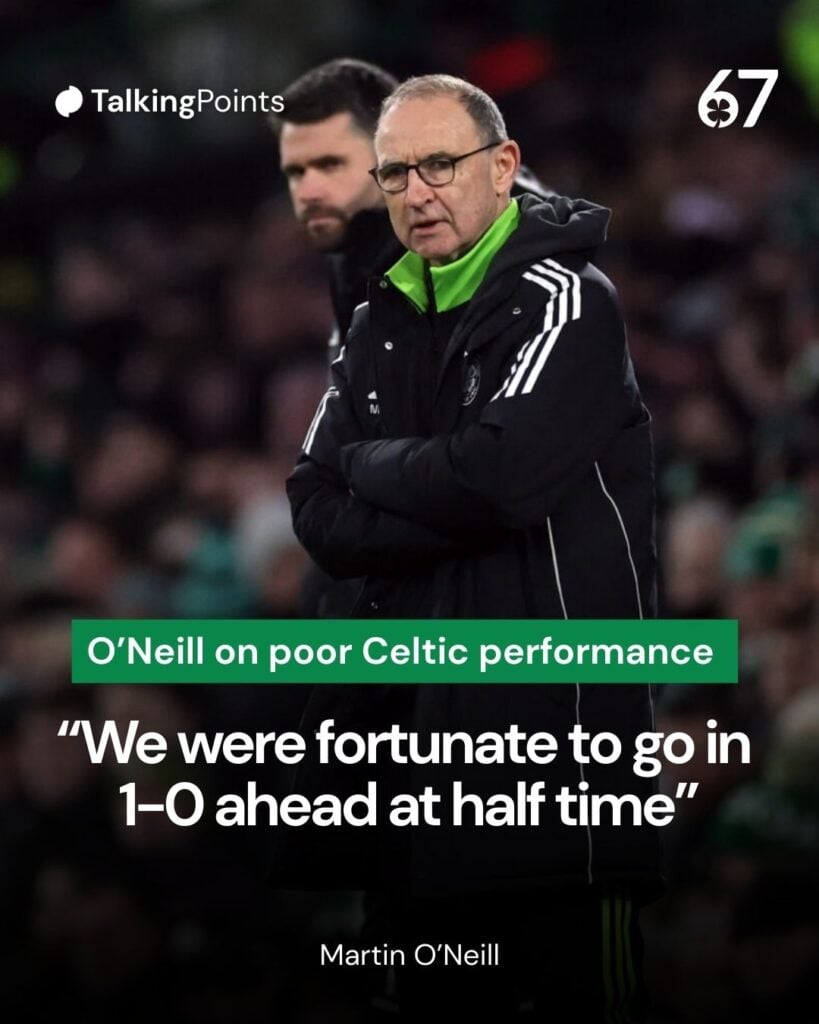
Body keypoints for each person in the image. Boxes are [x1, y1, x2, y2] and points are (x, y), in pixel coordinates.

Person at [284, 74, 660, 1020]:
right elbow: (312, 507)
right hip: (408, 777)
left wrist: (370, 465)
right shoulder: (374, 320)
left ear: (502, 166)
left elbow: (500, 479)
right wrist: (442, 488)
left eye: (441, 165)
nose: (417, 192)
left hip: (557, 777)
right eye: (396, 173)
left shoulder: (567, 299)